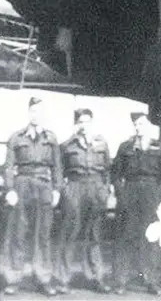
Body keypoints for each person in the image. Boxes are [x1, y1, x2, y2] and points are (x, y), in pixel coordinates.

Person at [1, 97, 62, 296]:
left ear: (44, 115)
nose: (37, 115)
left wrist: (57, 190)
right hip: (22, 185)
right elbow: (9, 166)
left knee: (42, 235)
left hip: (44, 186)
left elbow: (58, 168)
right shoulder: (16, 137)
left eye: (40, 112)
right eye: (33, 111)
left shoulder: (51, 139)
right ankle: (14, 278)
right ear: (29, 113)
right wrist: (10, 189)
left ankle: (43, 278)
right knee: (18, 233)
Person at [54, 108, 112, 294]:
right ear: (76, 124)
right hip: (75, 188)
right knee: (70, 233)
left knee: (94, 234)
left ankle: (96, 277)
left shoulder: (102, 143)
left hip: (95, 189)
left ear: (92, 123)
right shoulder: (67, 145)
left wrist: (104, 190)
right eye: (80, 121)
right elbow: (59, 171)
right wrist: (65, 191)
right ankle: (63, 278)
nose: (84, 125)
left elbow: (107, 171)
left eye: (87, 121)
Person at [111, 112, 161, 295]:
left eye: (142, 123)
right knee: (125, 236)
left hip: (150, 193)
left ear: (149, 126)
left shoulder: (159, 147)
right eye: (136, 124)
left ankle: (151, 280)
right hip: (131, 191)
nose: (138, 127)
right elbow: (115, 174)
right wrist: (121, 194)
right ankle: (120, 280)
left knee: (150, 237)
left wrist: (157, 196)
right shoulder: (125, 147)